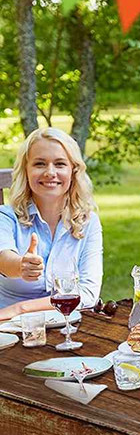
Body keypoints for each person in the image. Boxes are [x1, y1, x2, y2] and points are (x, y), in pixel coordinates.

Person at [0, 127, 102, 320]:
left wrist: (20, 309)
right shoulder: (5, 217)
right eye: (39, 164)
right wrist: (21, 266)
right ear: (26, 170)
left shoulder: (88, 221)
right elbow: (4, 260)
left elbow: (88, 293)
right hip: (9, 330)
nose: (50, 172)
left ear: (73, 170)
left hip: (66, 327)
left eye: (60, 164)